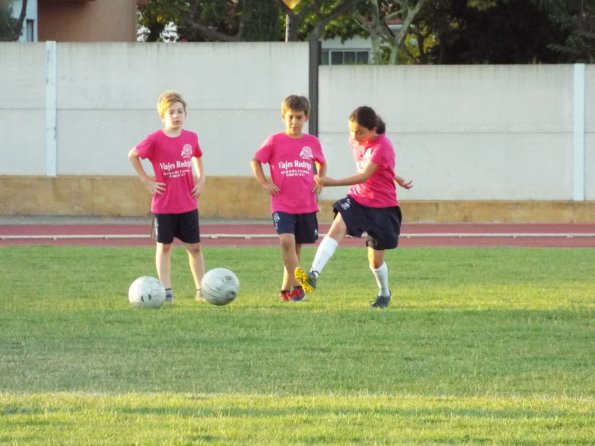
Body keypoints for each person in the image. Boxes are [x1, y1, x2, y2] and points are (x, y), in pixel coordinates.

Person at [295, 106, 413, 309]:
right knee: (336, 227)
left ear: (373, 129)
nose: (354, 136)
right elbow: (371, 172)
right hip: (358, 198)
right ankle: (313, 274)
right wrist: (394, 175)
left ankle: (384, 292)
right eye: (351, 130)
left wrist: (331, 182)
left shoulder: (382, 146)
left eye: (360, 132)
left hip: (382, 207)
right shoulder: (355, 141)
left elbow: (365, 174)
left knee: (375, 262)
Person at [128, 91, 206, 303]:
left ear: (185, 114)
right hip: (164, 205)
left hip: (187, 203)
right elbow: (133, 155)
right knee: (164, 247)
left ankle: (202, 290)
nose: (176, 115)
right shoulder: (155, 139)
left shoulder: (191, 137)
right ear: (163, 116)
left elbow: (197, 156)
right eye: (171, 112)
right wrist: (147, 180)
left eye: (180, 111)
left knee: (195, 247)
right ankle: (165, 291)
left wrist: (201, 179)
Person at [251, 95, 327, 302]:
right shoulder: (275, 140)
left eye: (299, 118)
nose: (294, 122)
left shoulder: (312, 142)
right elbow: (256, 161)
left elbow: (321, 163)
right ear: (283, 116)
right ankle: (298, 284)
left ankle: (285, 289)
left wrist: (319, 179)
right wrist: (265, 183)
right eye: (290, 117)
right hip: (282, 202)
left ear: (306, 118)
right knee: (286, 241)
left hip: (305, 203)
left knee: (296, 247)